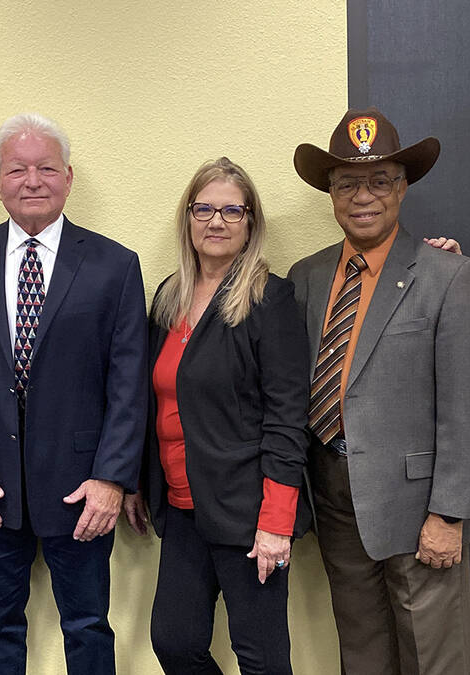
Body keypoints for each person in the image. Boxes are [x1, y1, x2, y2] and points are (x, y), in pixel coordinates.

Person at [0, 113, 147, 675]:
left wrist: (112, 479)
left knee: (88, 626)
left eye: (47, 168)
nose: (33, 180)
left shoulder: (114, 265)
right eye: (17, 169)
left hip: (83, 486)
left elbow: (128, 383)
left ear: (68, 178)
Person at [287, 107, 470, 675]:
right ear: (330, 193)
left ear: (402, 188)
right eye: (348, 183)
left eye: (379, 181)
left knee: (432, 657)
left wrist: (450, 514)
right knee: (360, 653)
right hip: (334, 498)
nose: (364, 196)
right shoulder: (306, 277)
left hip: (418, 508)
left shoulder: (450, 275)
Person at [123, 157, 311, 673]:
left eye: (232, 210)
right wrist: (136, 482)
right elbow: (150, 400)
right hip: (182, 506)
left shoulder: (270, 300)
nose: (216, 221)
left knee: (262, 657)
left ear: (251, 223)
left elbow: (286, 417)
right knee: (175, 642)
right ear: (187, 218)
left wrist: (275, 521)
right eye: (203, 208)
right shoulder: (169, 298)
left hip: (248, 510)